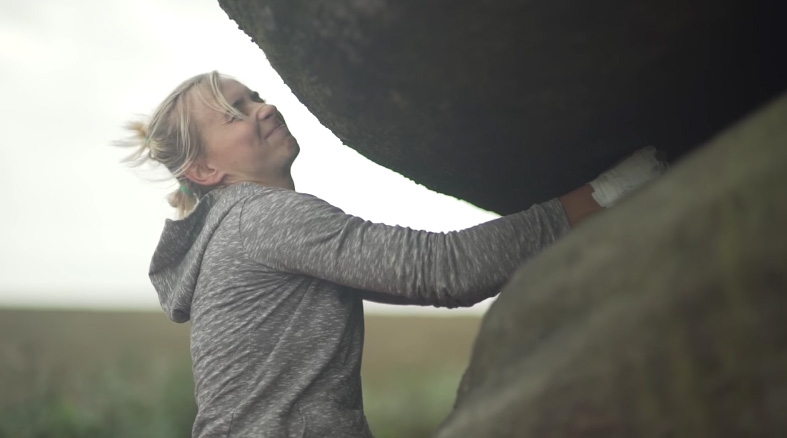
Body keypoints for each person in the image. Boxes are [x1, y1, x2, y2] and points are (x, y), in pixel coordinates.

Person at [119, 71, 667, 438]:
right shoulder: (261, 217)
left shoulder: (233, 233)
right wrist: (614, 190)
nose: (262, 108)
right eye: (234, 113)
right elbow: (443, 271)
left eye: (254, 97)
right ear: (204, 172)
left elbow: (428, 285)